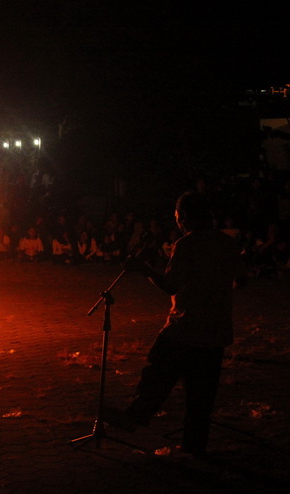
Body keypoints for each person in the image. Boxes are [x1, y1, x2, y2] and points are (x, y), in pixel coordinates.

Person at [105, 192, 247, 458]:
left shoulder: (187, 244)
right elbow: (241, 280)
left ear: (185, 218)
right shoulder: (226, 242)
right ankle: (194, 446)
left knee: (157, 372)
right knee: (201, 394)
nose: (178, 223)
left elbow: (170, 285)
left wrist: (144, 269)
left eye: (178, 218)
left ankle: (135, 417)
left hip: (185, 326)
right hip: (215, 331)